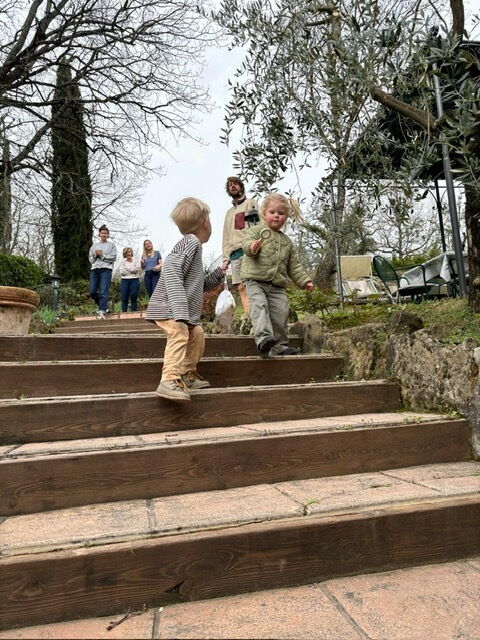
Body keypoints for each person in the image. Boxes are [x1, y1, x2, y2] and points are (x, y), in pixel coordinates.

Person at [145, 197, 229, 402]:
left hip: (177, 310)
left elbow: (200, 285)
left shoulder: (193, 247)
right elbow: (170, 270)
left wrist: (219, 273)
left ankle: (186, 374)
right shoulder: (190, 242)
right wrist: (180, 309)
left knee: (197, 333)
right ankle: (168, 379)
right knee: (180, 332)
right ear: (206, 222)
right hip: (169, 307)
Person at [241, 193, 313, 356]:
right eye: (272, 212)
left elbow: (294, 266)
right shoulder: (256, 232)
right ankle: (263, 338)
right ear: (264, 213)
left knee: (281, 312)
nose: (276, 216)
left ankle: (279, 345)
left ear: (285, 217)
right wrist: (252, 247)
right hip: (255, 280)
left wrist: (304, 281)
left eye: (281, 213)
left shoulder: (287, 242)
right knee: (259, 306)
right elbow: (246, 245)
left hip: (277, 285)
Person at [222, 176, 257, 315]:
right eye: (230, 185)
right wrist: (225, 259)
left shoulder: (250, 204)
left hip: (248, 249)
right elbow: (225, 237)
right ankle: (249, 316)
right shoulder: (228, 213)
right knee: (240, 286)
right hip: (234, 253)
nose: (233, 186)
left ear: (241, 187)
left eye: (235, 184)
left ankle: (258, 314)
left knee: (253, 283)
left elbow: (256, 226)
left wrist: (256, 245)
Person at [89, 224, 117, 319]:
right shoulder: (94, 246)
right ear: (99, 234)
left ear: (108, 235)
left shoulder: (111, 245)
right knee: (92, 292)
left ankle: (102, 311)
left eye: (105, 233)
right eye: (102, 233)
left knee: (103, 291)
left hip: (106, 270)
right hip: (94, 270)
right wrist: (95, 255)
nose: (104, 235)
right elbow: (91, 260)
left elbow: (113, 258)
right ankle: (105, 305)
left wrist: (101, 255)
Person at [119, 247, 142, 312]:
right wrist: (132, 270)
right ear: (124, 254)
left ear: (131, 253)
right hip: (124, 280)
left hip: (135, 280)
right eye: (126, 253)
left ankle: (134, 312)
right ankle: (124, 313)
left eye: (129, 252)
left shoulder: (136, 260)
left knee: (133, 297)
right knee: (124, 298)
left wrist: (127, 268)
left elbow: (136, 270)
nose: (128, 254)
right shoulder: (122, 261)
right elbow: (122, 272)